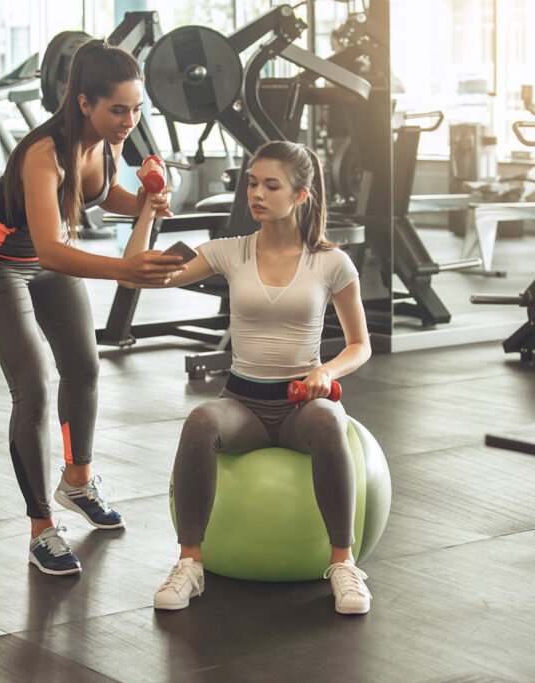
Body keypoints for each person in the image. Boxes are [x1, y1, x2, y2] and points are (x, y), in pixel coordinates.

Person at [121, 141, 374, 615]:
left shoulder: (331, 262)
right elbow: (136, 278)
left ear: (301, 195)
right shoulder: (229, 252)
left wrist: (325, 370)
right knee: (200, 420)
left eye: (270, 185)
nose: (256, 193)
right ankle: (190, 563)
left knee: (326, 422)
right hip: (242, 403)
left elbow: (361, 345)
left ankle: (343, 563)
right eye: (252, 183)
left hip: (302, 403)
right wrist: (147, 214)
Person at [0, 39, 185, 576]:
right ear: (84, 103)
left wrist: (146, 203)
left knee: (83, 368)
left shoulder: (107, 141)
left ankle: (78, 483)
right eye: (118, 110)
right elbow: (50, 249)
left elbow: (101, 194)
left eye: (137, 109)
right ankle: (42, 528)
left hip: (47, 259)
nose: (130, 121)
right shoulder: (44, 154)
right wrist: (123, 269)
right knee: (33, 386)